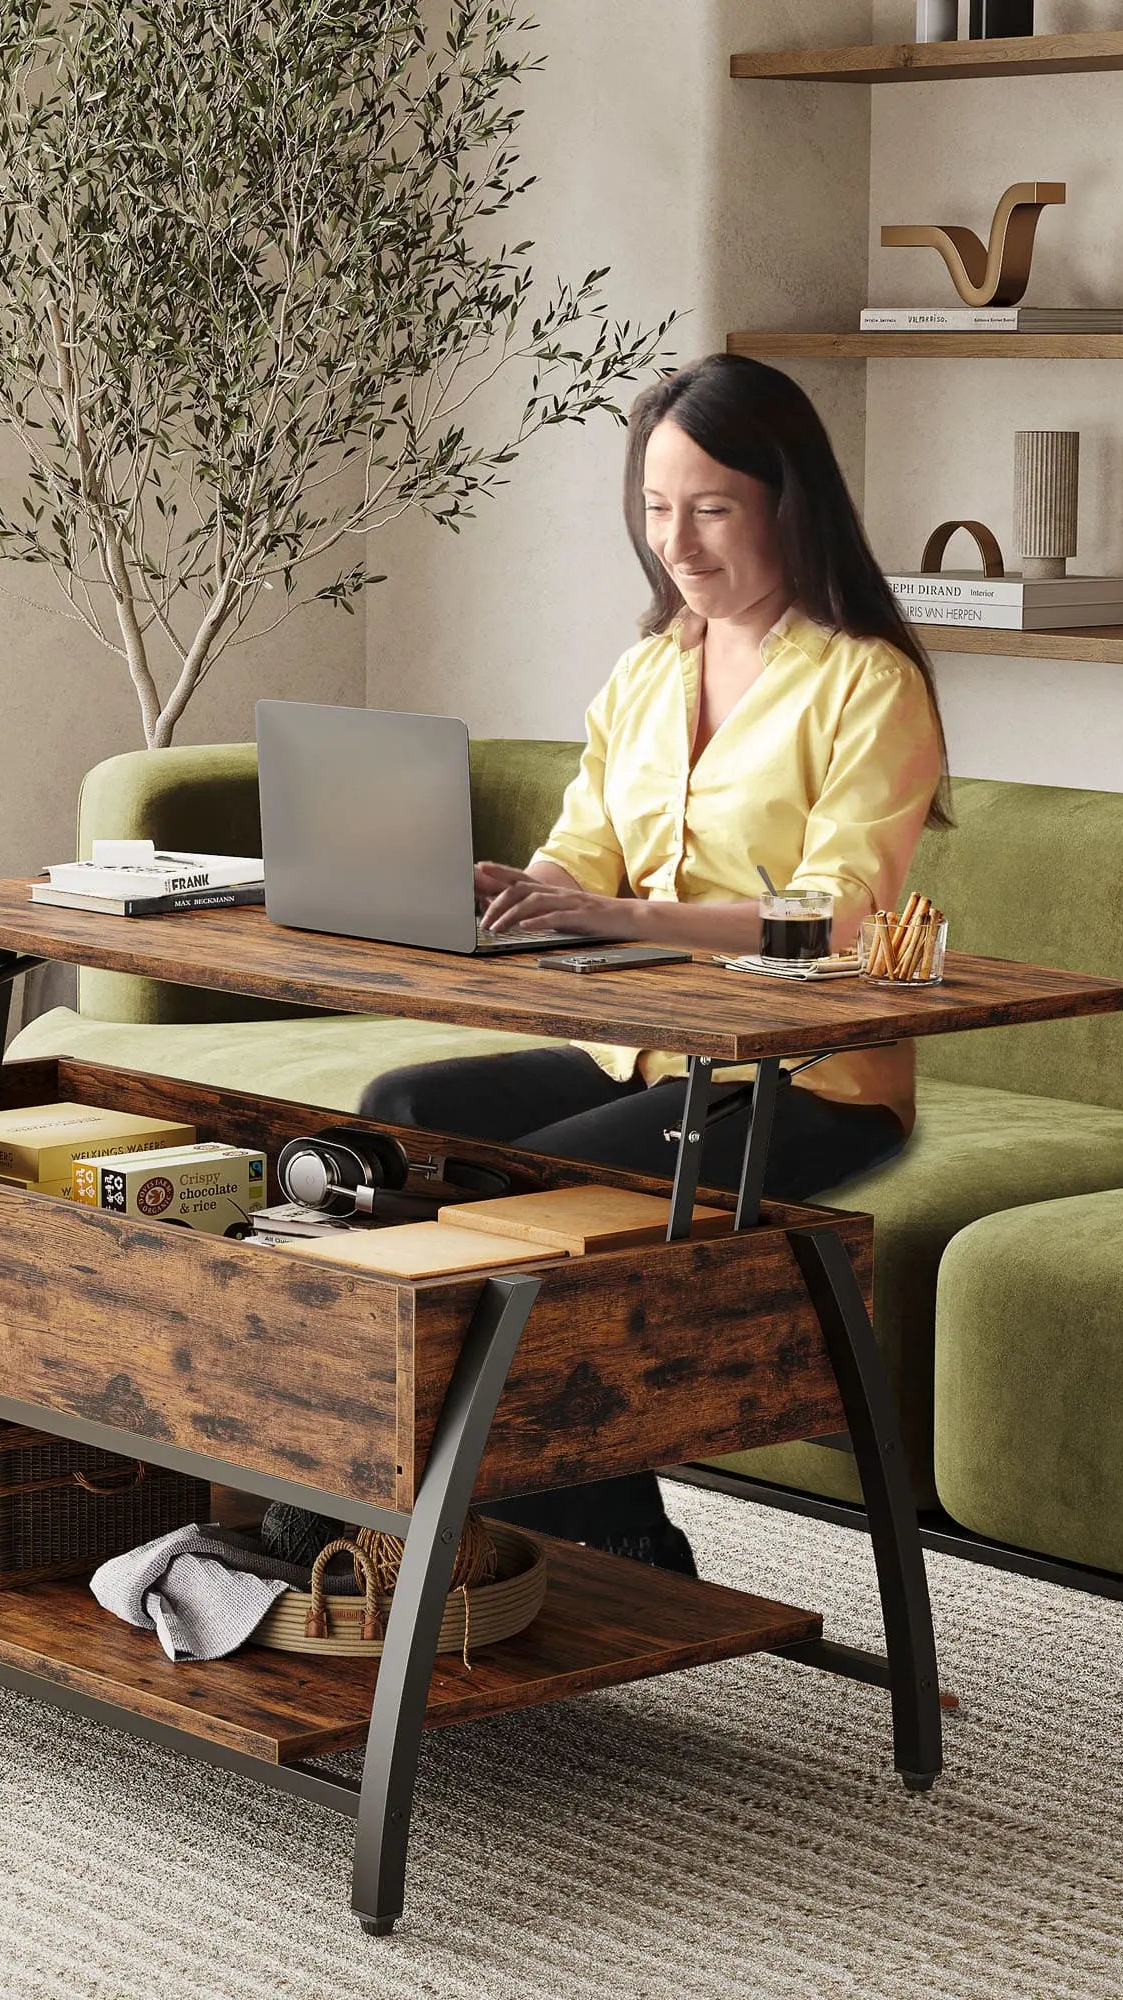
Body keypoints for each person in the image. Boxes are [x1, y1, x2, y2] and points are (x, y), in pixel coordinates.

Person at [358, 352, 949, 1573]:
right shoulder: (643, 670)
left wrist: (643, 916)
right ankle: (461, 1486)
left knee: (548, 1188)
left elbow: (838, 917)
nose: (675, 540)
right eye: (654, 506)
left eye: (710, 506)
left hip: (806, 1080)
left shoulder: (865, 681)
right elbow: (580, 848)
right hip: (636, 1052)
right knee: (399, 1114)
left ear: (789, 502)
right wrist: (526, 891)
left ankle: (614, 1532)